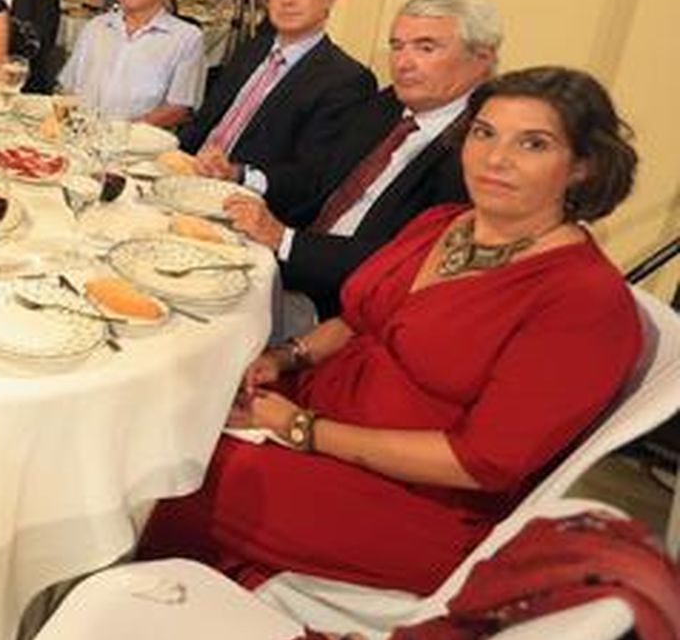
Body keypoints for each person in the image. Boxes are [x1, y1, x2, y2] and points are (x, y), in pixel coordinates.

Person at [141, 66, 643, 596]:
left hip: (409, 498)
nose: (496, 158)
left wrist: (302, 430)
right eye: (484, 132)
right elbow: (360, 319)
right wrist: (285, 357)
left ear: (584, 167)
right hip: (319, 411)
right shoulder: (445, 222)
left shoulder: (584, 301)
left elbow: (480, 464)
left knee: (169, 467)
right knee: (168, 399)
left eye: (533, 144)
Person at [226, 0, 502, 318]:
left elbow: (414, 260)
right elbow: (316, 178)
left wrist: (285, 240)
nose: (403, 62)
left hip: (347, 307)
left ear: (482, 59)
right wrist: (241, 175)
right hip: (287, 264)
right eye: (397, 46)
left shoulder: (482, 147)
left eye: (426, 48)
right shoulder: (384, 106)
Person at [179, 0, 375, 196]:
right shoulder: (251, 51)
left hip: (244, 201)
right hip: (186, 178)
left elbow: (310, 177)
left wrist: (237, 174)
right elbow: (202, 124)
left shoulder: (346, 80)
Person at [58, 0, 203, 125]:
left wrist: (121, 132)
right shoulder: (96, 27)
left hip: (137, 146)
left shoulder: (186, 38)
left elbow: (178, 108)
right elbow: (67, 88)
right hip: (80, 136)